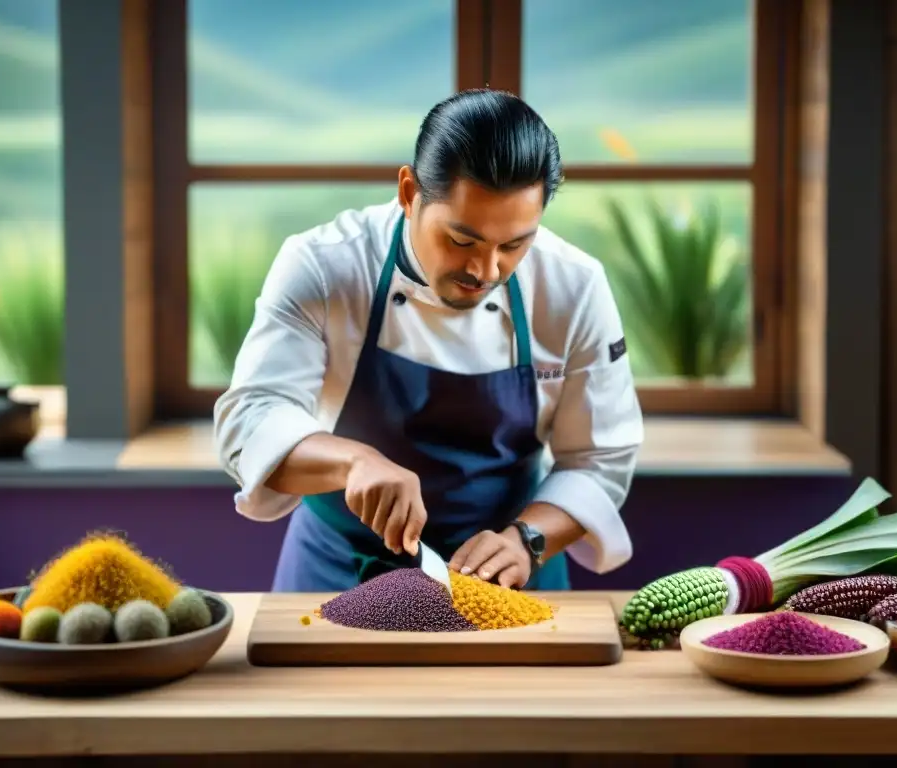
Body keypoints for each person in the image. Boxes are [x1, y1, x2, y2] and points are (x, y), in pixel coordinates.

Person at [213, 89, 644, 593]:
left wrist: (527, 540)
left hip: (507, 576)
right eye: (461, 240)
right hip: (338, 568)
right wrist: (354, 461)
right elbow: (249, 420)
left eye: (514, 244)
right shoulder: (324, 265)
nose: (486, 270)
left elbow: (600, 458)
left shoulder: (573, 286)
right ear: (409, 191)